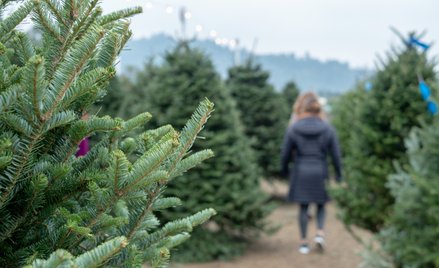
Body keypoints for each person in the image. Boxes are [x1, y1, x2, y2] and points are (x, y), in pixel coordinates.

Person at [281, 92, 342, 255]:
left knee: (303, 207)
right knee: (321, 204)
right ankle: (320, 234)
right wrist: (338, 174)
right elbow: (336, 154)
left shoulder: (294, 128)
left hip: (301, 170)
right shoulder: (328, 128)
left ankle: (303, 243)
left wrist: (284, 170)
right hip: (320, 169)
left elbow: (285, 153)